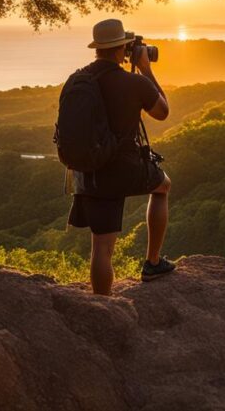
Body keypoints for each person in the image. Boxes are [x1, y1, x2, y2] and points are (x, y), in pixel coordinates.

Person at [66, 18, 175, 295]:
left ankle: (101, 305)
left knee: (101, 247)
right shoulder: (134, 82)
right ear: (121, 49)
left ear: (98, 49)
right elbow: (162, 112)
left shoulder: (79, 79)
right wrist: (145, 69)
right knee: (162, 186)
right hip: (124, 168)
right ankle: (152, 263)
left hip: (90, 171)